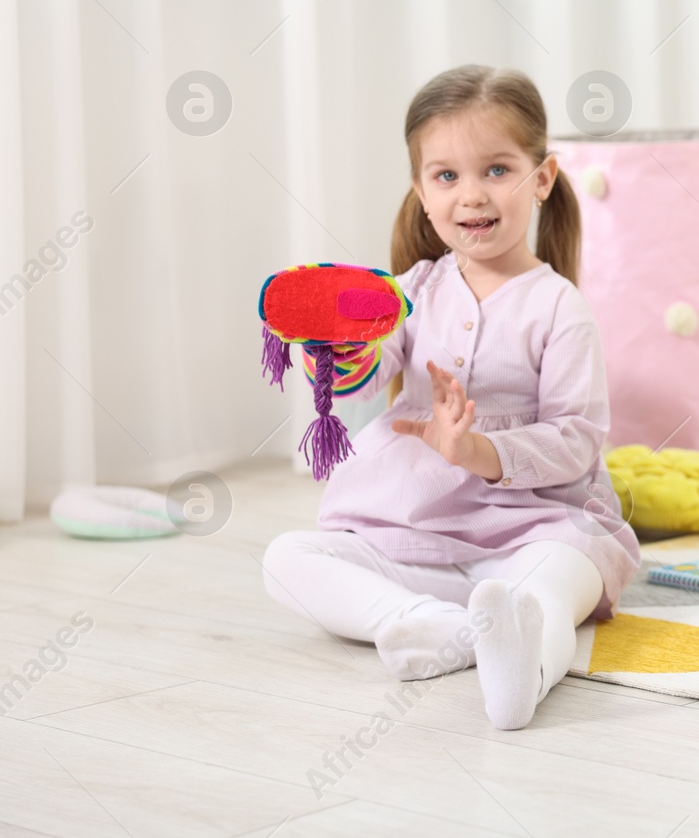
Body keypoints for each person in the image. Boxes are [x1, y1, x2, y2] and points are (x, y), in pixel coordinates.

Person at [262, 65, 639, 730]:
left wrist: (478, 448)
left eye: (497, 169)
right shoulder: (413, 290)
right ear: (421, 191)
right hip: (414, 528)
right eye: (446, 176)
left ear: (541, 178)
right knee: (287, 557)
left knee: (556, 579)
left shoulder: (560, 308)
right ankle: (426, 622)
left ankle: (523, 666)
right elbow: (375, 369)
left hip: (534, 529)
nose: (472, 194)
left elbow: (577, 439)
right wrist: (341, 352)